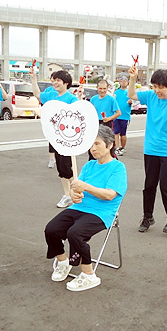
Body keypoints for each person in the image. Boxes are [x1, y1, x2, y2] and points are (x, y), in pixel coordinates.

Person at [44, 125, 127, 292]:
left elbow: (109, 195)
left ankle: (89, 274)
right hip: (80, 207)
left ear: (110, 145)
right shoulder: (89, 166)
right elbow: (77, 192)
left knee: (75, 233)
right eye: (91, 144)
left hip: (102, 212)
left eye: (97, 144)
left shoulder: (118, 168)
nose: (93, 148)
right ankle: (63, 262)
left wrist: (86, 187)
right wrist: (75, 194)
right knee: (51, 229)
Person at [128, 66, 167, 233]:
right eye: (154, 86)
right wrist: (133, 79)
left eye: (160, 87)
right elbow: (131, 95)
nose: (157, 91)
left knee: (166, 186)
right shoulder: (150, 96)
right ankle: (148, 217)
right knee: (149, 185)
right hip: (151, 149)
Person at [31, 68, 79, 208]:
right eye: (55, 80)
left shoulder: (71, 98)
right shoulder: (52, 95)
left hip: (67, 138)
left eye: (58, 80)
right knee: (60, 167)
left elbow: (77, 115)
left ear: (66, 83)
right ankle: (67, 195)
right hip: (55, 137)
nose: (55, 83)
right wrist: (34, 78)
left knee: (67, 166)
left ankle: (75, 193)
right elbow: (37, 94)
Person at [113, 76, 132, 156]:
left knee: (123, 134)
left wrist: (131, 102)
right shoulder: (116, 92)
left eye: (125, 81)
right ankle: (117, 148)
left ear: (128, 83)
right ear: (119, 83)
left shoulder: (130, 93)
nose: (123, 82)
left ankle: (122, 147)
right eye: (122, 81)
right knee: (116, 132)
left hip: (125, 116)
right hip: (116, 115)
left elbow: (135, 102)